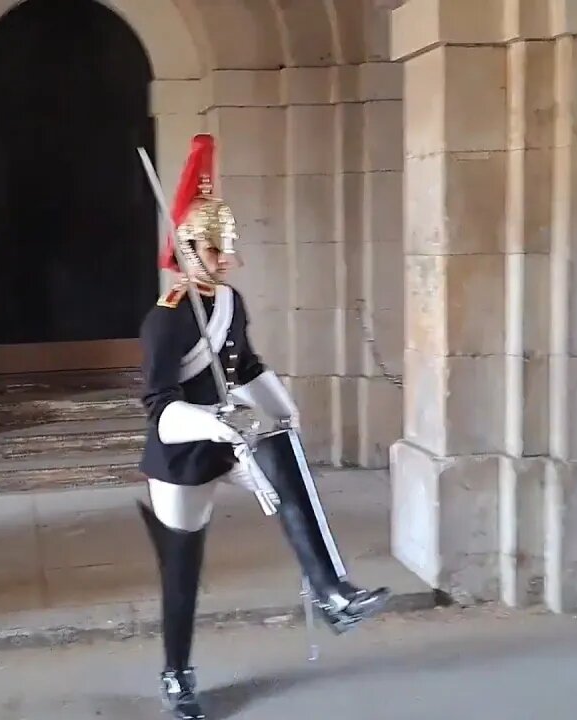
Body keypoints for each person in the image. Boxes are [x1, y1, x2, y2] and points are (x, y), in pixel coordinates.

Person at [136, 134, 391, 720]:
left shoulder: (229, 302)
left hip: (226, 439)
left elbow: (243, 365)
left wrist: (281, 407)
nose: (226, 259)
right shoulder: (166, 320)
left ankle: (332, 592)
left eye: (227, 249)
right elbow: (158, 406)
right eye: (216, 249)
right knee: (183, 567)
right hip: (181, 454)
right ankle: (177, 672)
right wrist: (217, 429)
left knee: (286, 460)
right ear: (190, 248)